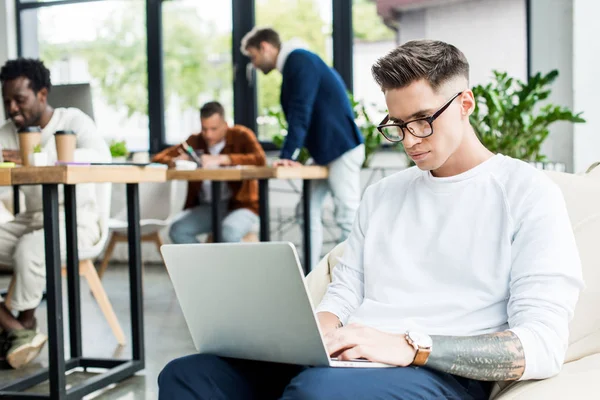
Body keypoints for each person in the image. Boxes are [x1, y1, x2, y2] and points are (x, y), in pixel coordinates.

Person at [157, 40, 584, 399]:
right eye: (397, 125)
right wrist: (314, 334)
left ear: (465, 103)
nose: (410, 141)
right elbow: (344, 291)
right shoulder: (383, 194)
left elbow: (542, 345)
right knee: (188, 375)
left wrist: (410, 347)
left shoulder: (526, 192)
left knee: (315, 392)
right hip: (349, 358)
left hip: (436, 370)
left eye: (423, 121)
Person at [0, 58, 111, 369]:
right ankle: (18, 329)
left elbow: (101, 160)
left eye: (19, 99)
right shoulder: (7, 132)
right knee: (30, 242)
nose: (11, 108)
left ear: (42, 95)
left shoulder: (73, 120)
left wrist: (34, 157)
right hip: (33, 218)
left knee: (31, 250)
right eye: (6, 100)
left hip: (78, 221)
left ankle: (20, 327)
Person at [240, 27, 365, 269]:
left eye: (253, 56)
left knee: (348, 215)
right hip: (326, 153)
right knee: (306, 211)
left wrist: (289, 155)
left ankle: (349, 277)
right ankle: (312, 275)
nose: (253, 64)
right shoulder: (296, 62)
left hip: (341, 149)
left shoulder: (299, 59)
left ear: (265, 46)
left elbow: (300, 109)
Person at [153, 101, 266, 244]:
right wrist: (178, 161)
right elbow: (158, 158)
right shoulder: (195, 141)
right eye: (204, 129)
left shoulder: (241, 135)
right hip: (209, 207)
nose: (208, 134)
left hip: (242, 206)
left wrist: (223, 159)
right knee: (178, 230)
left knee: (228, 233)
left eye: (214, 129)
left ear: (225, 125)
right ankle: (206, 266)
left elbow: (260, 159)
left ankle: (236, 267)